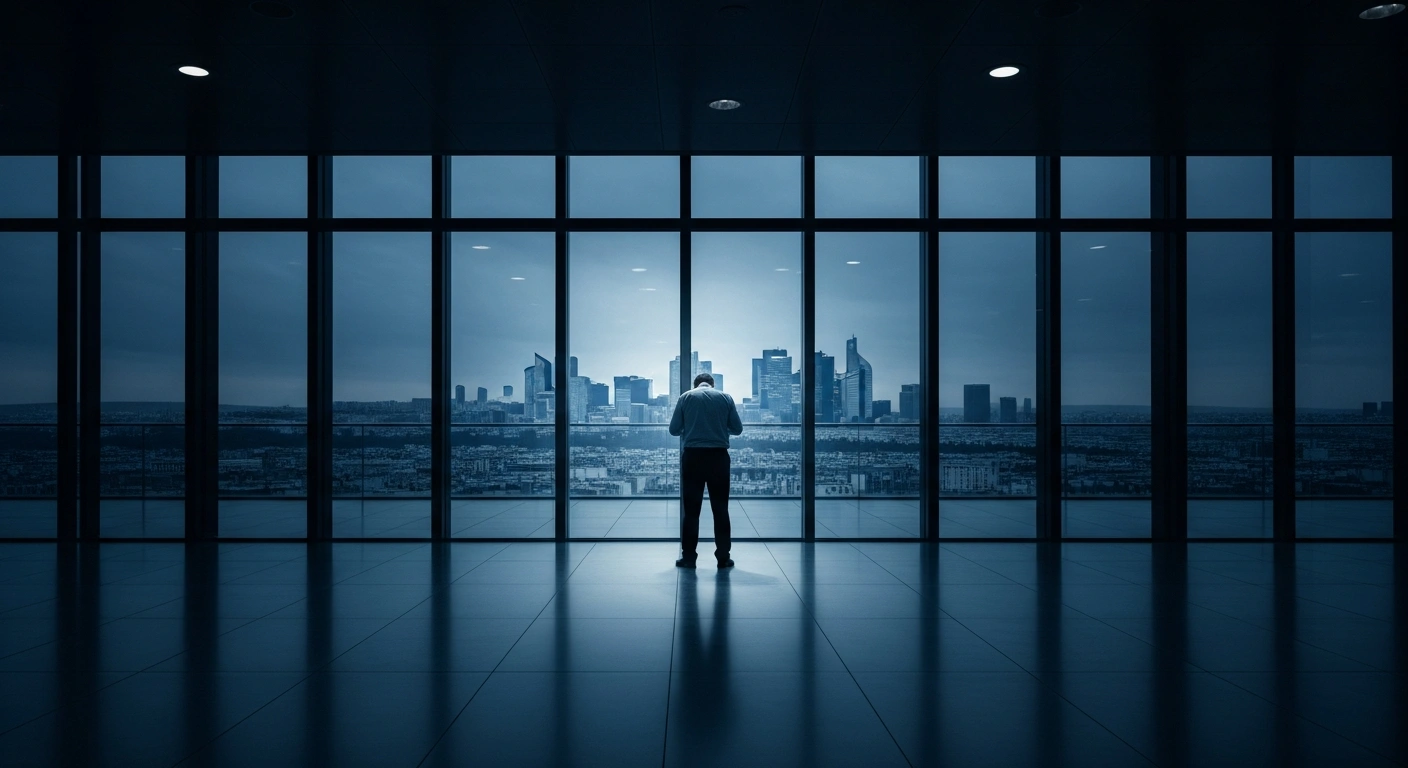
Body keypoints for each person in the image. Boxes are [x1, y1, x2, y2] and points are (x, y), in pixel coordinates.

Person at [668, 372, 743, 568]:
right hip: (718, 457)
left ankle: (689, 557)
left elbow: (674, 429)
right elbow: (737, 428)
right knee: (720, 509)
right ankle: (723, 557)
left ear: (696, 385)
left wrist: (691, 428)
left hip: (693, 457)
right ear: (712, 384)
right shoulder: (725, 397)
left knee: (692, 511)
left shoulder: (685, 397)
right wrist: (719, 428)